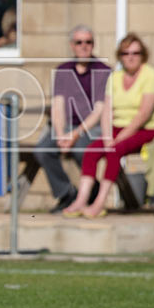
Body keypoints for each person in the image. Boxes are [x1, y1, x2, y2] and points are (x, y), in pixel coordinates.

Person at [63, 33, 154, 218]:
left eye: (135, 52)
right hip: (118, 129)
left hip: (147, 130)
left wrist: (118, 138)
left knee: (114, 150)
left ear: (143, 55)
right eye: (125, 53)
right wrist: (108, 135)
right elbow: (107, 110)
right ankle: (81, 200)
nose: (130, 57)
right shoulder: (115, 77)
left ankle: (100, 202)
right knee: (92, 150)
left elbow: (143, 114)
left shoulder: (150, 75)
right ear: (120, 56)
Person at [33, 25, 110, 214]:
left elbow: (100, 110)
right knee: (42, 150)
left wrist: (75, 134)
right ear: (72, 45)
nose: (84, 46)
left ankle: (90, 191)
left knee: (81, 148)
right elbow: (58, 106)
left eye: (88, 42)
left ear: (93, 45)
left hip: (93, 127)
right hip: (66, 126)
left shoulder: (103, 70)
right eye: (79, 42)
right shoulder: (63, 70)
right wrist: (61, 135)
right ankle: (66, 193)